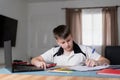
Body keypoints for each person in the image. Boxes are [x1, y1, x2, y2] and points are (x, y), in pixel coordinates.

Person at [31, 25, 110, 69]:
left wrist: (97, 62)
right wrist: (38, 62)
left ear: (72, 37)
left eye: (68, 40)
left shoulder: (85, 49)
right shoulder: (53, 52)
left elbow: (106, 61)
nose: (67, 45)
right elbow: (34, 60)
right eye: (63, 42)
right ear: (58, 42)